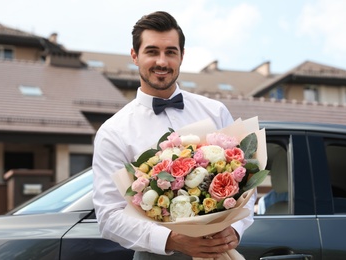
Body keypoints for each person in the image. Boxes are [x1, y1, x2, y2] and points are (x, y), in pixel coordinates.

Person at [92, 11, 256, 259]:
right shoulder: (113, 132)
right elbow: (108, 216)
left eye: (170, 52)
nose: (162, 61)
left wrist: (236, 228)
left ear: (182, 56)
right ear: (134, 56)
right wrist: (171, 240)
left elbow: (246, 182)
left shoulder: (215, 111)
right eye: (151, 51)